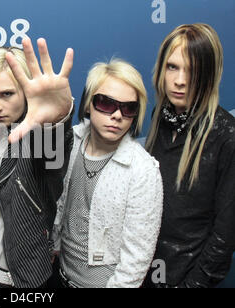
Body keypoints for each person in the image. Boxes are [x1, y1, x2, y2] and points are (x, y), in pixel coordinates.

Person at [52, 59, 164, 288]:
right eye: (105, 103)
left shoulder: (142, 171)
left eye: (129, 108)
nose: (117, 115)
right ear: (88, 104)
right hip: (59, 276)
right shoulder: (69, 142)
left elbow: (136, 261)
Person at [0, 38, 74, 288]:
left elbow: (53, 154)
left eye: (6, 94)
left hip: (22, 283)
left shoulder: (38, 140)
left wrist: (57, 119)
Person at [143, 23, 235, 288]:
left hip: (185, 278)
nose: (180, 80)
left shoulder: (227, 136)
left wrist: (193, 285)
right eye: (172, 67)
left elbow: (225, 235)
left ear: (209, 75)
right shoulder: (161, 116)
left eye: (193, 71)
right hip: (143, 271)